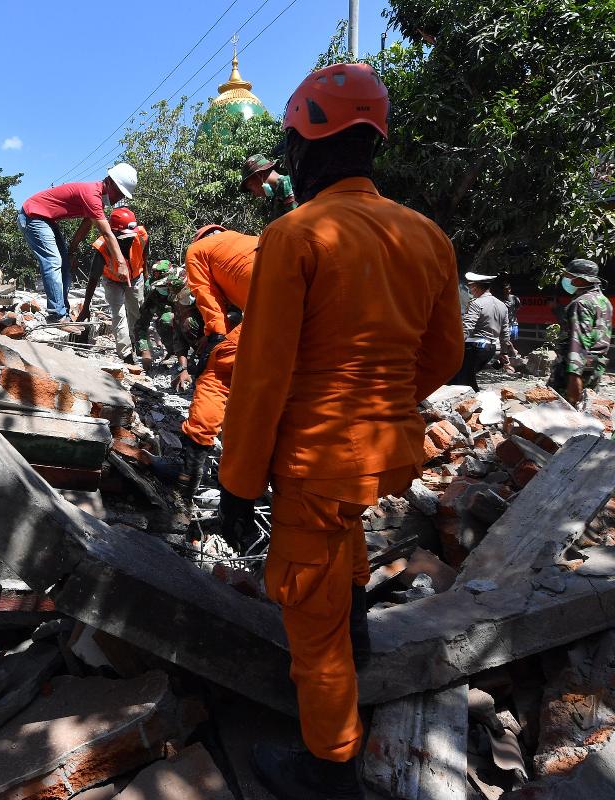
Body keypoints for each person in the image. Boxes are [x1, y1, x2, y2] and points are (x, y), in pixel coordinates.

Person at [217, 63, 464, 800]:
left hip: (319, 458)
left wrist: (236, 486)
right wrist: (385, 402)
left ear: (307, 143)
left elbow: (261, 379)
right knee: (342, 539)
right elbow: (445, 355)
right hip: (386, 454)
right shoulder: (427, 235)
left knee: (309, 619)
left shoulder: (296, 234)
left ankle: (329, 770)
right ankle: (358, 632)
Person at [174, 223, 259, 520]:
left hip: (276, 308)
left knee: (216, 376)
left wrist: (217, 340)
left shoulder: (198, 251)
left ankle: (188, 475)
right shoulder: (251, 240)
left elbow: (208, 299)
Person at [18, 164, 138, 325]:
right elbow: (107, 234)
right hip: (32, 216)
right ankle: (56, 316)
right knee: (53, 261)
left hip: (46, 219)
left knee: (64, 264)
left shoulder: (96, 202)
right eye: (119, 192)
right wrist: (121, 262)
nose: (118, 198)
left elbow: (85, 227)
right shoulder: (91, 195)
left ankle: (63, 312)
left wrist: (71, 252)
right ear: (109, 182)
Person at [550, 258, 612, 408]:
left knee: (559, 413)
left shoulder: (581, 303)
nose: (565, 279)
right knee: (585, 410)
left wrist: (574, 374)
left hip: (575, 369)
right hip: (595, 367)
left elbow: (579, 340)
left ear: (580, 279)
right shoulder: (603, 301)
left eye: (568, 276)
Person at [91, 207, 148, 364]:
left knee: (137, 312)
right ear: (113, 233)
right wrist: (85, 306)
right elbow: (93, 277)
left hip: (135, 277)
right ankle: (126, 353)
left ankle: (139, 345)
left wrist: (147, 277)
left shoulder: (141, 234)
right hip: (112, 282)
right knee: (119, 314)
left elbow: (145, 255)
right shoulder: (102, 247)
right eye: (124, 236)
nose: (129, 239)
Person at [133, 260, 203, 388]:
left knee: (184, 321)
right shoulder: (155, 296)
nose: (166, 290)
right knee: (168, 319)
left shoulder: (195, 290)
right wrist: (144, 351)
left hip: (206, 333)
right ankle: (176, 354)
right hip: (178, 331)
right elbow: (141, 324)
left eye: (166, 286)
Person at [449, 272, 511, 390]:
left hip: (474, 347)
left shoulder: (476, 303)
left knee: (459, 381)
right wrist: (504, 353)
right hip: (490, 349)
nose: (470, 290)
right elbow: (505, 333)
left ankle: (473, 404)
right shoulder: (502, 306)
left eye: (470, 286)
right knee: (466, 379)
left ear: (476, 287)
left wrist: (455, 346)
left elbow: (467, 327)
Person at [240, 154, 298, 220]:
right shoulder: (276, 196)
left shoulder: (286, 186)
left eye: (251, 185)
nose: (253, 193)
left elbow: (297, 221)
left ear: (259, 175)